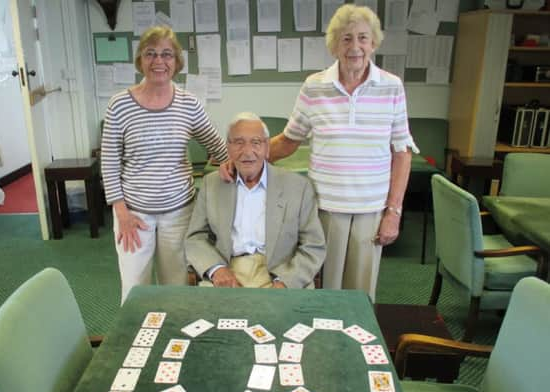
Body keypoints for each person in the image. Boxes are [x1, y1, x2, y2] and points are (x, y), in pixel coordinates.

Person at [221, 5, 418, 300]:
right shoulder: (315, 87)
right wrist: (245, 159)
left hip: (371, 208)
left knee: (362, 293)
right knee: (323, 290)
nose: (355, 47)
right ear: (334, 45)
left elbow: (402, 152)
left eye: (363, 38)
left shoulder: (391, 87)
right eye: (346, 39)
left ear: (373, 43)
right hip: (324, 208)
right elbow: (289, 141)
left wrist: (394, 212)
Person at [101, 26, 228, 304]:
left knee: (177, 290)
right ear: (140, 60)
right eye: (151, 54)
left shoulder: (189, 104)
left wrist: (239, 166)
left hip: (179, 213)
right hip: (133, 215)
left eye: (167, 54)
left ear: (177, 62)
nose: (159, 61)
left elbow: (217, 146)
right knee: (135, 291)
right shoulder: (119, 105)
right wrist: (121, 212)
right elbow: (108, 162)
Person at [186, 112, 326, 289]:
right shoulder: (212, 184)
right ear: (228, 148)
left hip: (280, 271)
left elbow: (313, 246)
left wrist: (286, 281)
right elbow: (195, 237)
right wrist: (217, 270)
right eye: (238, 142)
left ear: (267, 148)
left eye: (256, 143)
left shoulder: (298, 186)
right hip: (228, 271)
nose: (247, 151)